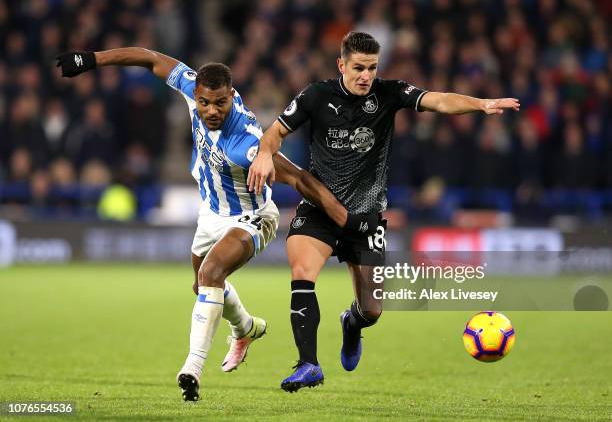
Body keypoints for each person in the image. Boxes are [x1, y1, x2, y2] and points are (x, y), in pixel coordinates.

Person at [56, 47, 376, 401]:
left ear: (231, 95)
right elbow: (148, 58)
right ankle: (246, 328)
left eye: (220, 103)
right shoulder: (192, 85)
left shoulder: (248, 142)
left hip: (252, 217)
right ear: (196, 94)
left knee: (210, 275)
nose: (212, 111)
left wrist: (347, 220)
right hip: (210, 213)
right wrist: (91, 59)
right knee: (203, 286)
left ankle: (191, 368)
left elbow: (300, 180)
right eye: (205, 103)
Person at [247, 31, 520, 392]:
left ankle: (352, 324)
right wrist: (266, 153)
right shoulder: (316, 96)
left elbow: (437, 100)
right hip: (319, 208)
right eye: (358, 68)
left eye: (372, 68)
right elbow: (275, 133)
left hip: (366, 217)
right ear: (341, 65)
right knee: (302, 271)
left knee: (372, 311)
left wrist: (480, 103)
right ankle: (308, 363)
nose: (365, 76)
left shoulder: (389, 94)